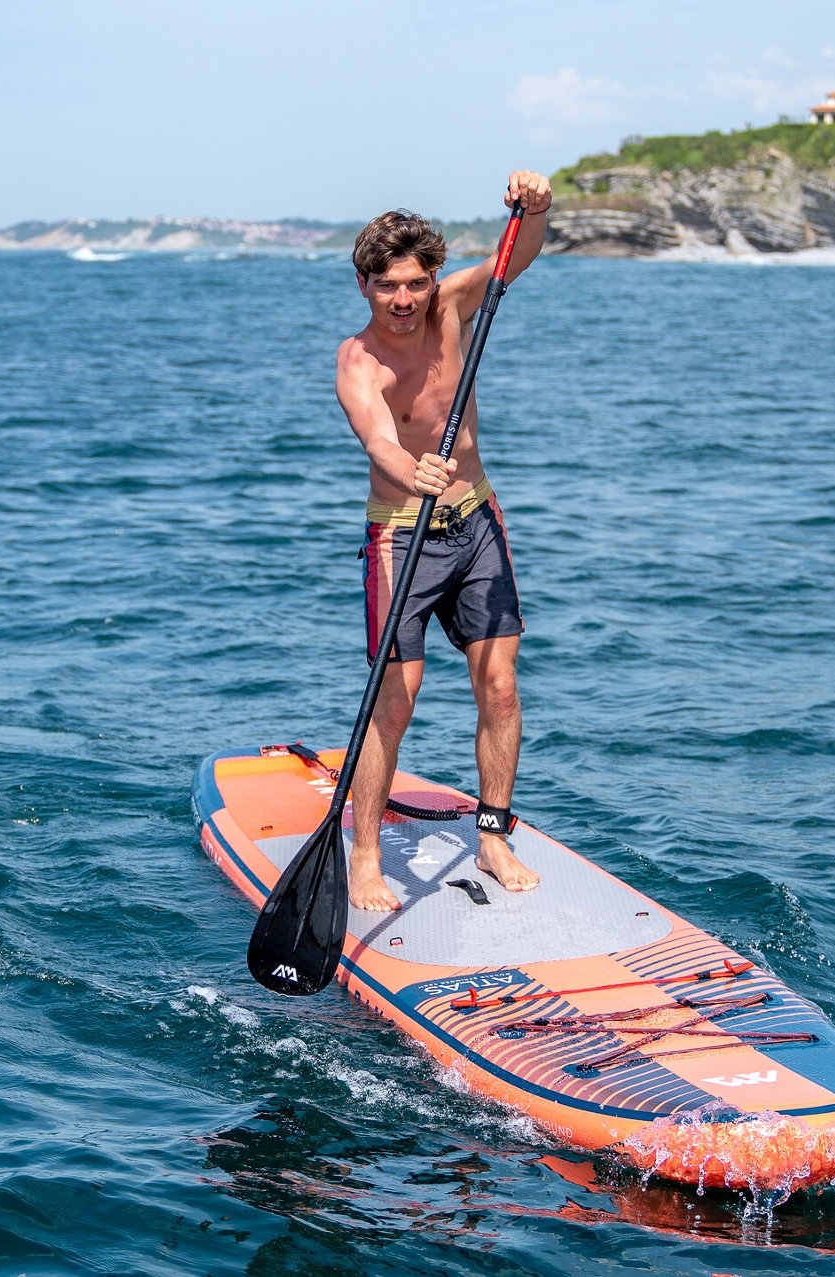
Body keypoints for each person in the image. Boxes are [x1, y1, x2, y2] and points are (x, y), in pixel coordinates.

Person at [335, 171, 551, 913]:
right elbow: (378, 437)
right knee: (394, 702)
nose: (404, 300)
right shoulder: (357, 360)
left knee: (500, 684)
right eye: (388, 285)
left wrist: (540, 208)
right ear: (363, 283)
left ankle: (492, 833)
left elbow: (513, 260)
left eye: (417, 283)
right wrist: (408, 467)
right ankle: (364, 853)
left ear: (432, 278)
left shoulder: (455, 308)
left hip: (476, 520)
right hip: (403, 534)